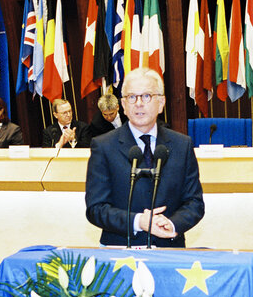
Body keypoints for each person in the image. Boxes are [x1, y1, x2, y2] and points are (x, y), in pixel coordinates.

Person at [85, 67, 204, 247]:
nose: (139, 103)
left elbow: (194, 203)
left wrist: (172, 224)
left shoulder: (182, 145)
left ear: (161, 102)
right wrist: (138, 221)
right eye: (132, 97)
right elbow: (96, 208)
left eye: (147, 96)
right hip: (120, 250)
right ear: (123, 105)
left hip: (169, 250)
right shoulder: (103, 146)